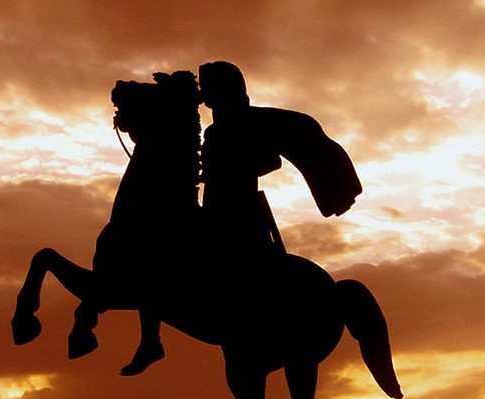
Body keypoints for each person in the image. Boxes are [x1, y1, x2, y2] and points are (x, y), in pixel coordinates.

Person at [118, 61, 362, 376]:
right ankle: (151, 339)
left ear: (222, 90)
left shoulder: (238, 124)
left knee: (158, 261)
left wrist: (232, 169)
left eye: (208, 88)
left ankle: (152, 341)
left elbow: (271, 161)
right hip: (215, 206)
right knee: (157, 256)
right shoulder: (216, 127)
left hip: (235, 213)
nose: (204, 94)